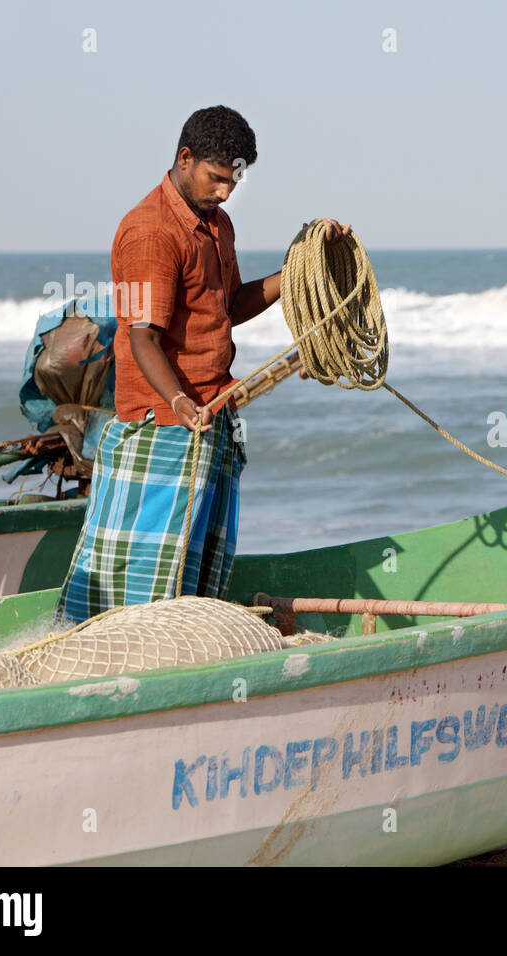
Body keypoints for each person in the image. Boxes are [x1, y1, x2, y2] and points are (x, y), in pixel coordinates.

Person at [55, 105, 350, 623]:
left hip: (213, 416)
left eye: (234, 182)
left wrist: (300, 266)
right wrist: (178, 400)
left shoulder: (218, 225)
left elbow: (226, 307)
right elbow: (142, 336)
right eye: (216, 179)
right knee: (140, 588)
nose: (225, 192)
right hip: (163, 426)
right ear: (184, 159)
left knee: (196, 579)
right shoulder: (149, 231)